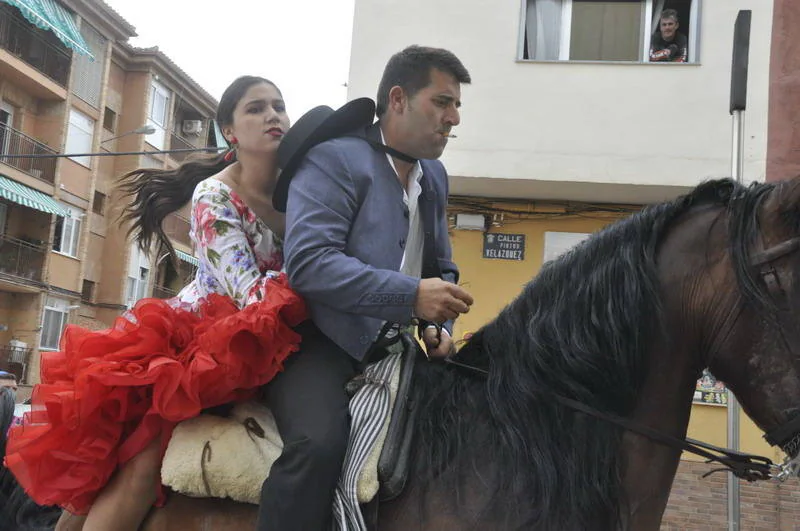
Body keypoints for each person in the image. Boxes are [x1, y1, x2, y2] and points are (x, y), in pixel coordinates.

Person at [4, 75, 306, 531]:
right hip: (197, 340)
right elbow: (248, 293)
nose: (273, 116)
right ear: (230, 130)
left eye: (279, 106)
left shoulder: (298, 194)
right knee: (143, 460)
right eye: (256, 108)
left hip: (263, 340)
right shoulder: (214, 194)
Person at [261, 45, 475, 531]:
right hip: (317, 343)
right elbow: (310, 264)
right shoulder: (334, 159)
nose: (454, 118)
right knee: (317, 445)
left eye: (457, 106)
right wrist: (410, 296)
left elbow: (442, 267)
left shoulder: (434, 175)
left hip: (397, 347)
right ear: (397, 99)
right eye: (442, 102)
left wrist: (439, 323)